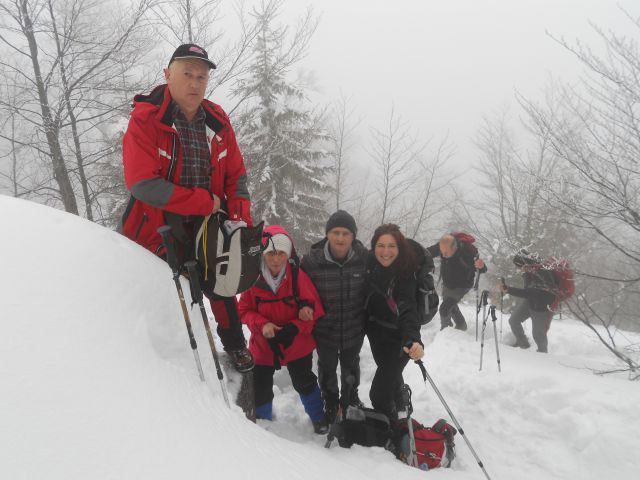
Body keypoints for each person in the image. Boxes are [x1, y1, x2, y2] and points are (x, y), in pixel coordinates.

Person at [120, 44, 253, 372]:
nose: (195, 83)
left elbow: (236, 174)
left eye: (201, 77)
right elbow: (143, 184)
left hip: (209, 221)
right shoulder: (147, 119)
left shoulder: (218, 120)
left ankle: (235, 345)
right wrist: (203, 202)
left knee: (221, 283)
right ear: (168, 75)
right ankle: (170, 360)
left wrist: (238, 220)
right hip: (158, 223)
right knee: (168, 288)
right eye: (187, 74)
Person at [238, 226, 329, 434]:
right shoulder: (253, 279)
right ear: (263, 254)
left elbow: (315, 309)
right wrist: (263, 325)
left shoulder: (298, 276)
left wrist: (298, 324)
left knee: (304, 381)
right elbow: (244, 310)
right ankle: (263, 423)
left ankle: (319, 418)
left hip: (296, 341)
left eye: (280, 253)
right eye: (270, 253)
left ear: (288, 254)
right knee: (260, 386)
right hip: (264, 343)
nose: (276, 260)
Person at [300, 210, 368, 422]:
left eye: (346, 233)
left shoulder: (364, 259)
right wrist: (305, 306)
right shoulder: (311, 261)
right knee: (327, 368)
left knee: (351, 366)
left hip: (354, 327)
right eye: (336, 232)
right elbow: (301, 290)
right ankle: (330, 401)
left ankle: (351, 398)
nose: (340, 238)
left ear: (353, 236)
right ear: (327, 234)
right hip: (324, 330)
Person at [365, 224, 424, 420]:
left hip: (400, 340)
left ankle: (392, 425)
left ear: (400, 248)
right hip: (377, 334)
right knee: (390, 374)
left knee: (378, 395)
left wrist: (413, 340)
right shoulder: (369, 266)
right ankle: (400, 397)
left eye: (391, 246)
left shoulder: (406, 273)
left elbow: (408, 308)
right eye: (381, 245)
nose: (385, 251)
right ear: (374, 247)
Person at [427, 233, 487, 331]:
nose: (443, 254)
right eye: (442, 252)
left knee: (444, 308)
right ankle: (461, 325)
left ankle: (445, 332)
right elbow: (427, 252)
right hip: (448, 283)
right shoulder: (443, 246)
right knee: (451, 305)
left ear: (455, 247)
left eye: (446, 252)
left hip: (462, 285)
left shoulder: (467, 253)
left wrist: (481, 265)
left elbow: (482, 269)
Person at [501, 249, 557, 353]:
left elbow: (530, 292)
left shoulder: (542, 272)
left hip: (542, 307)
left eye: (519, 266)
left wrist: (509, 290)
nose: (519, 269)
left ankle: (542, 354)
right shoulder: (531, 271)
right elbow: (529, 292)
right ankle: (523, 345)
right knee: (514, 320)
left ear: (525, 264)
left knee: (538, 334)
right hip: (531, 302)